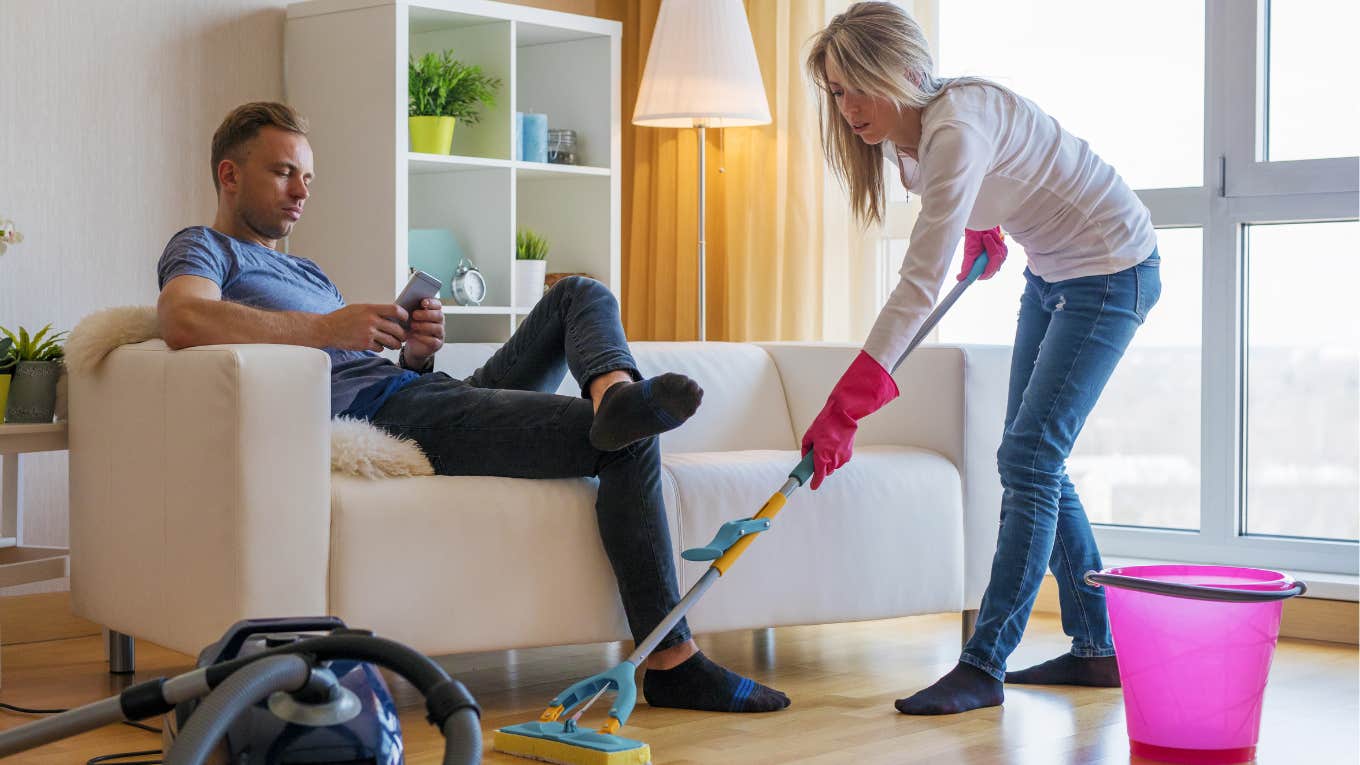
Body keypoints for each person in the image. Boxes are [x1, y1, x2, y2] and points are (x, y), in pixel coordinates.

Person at [156, 102, 790, 714]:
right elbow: (182, 317)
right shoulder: (205, 248)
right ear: (229, 174)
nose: (300, 190)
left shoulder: (310, 271)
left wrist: (414, 351)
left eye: (308, 176)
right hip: (396, 418)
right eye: (283, 171)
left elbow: (351, 362)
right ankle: (672, 661)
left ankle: (613, 392)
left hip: (423, 392)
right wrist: (331, 329)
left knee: (576, 291)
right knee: (626, 438)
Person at [801, 3, 1162, 715]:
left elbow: (917, 281)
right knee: (1035, 458)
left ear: (905, 71)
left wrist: (846, 406)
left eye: (859, 85)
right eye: (838, 92)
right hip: (1053, 270)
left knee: (1028, 457)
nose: (849, 108)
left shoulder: (954, 126)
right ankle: (1097, 650)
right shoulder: (908, 142)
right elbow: (1009, 173)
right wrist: (985, 228)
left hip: (1113, 267)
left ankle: (983, 663)